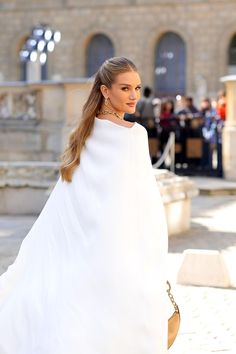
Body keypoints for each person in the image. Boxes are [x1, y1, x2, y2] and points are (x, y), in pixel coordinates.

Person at [0, 57, 168, 354]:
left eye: (138, 88)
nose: (134, 96)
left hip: (89, 244)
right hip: (116, 245)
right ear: (105, 91)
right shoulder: (133, 135)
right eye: (125, 88)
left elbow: (70, 199)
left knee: (80, 311)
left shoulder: (84, 133)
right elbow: (145, 200)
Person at [136, 86, 159, 163]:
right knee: (152, 141)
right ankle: (154, 160)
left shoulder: (141, 101)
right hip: (149, 123)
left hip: (144, 123)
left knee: (146, 142)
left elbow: (138, 113)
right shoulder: (151, 101)